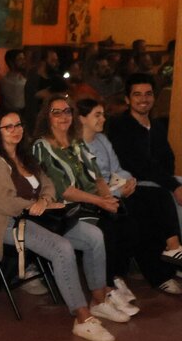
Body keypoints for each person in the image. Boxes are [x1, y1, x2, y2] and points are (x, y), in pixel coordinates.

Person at [0, 111, 122, 341]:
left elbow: (48, 184)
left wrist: (44, 201)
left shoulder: (25, 156)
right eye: (8, 127)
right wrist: (34, 205)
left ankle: (98, 300)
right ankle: (82, 318)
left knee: (94, 235)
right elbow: (3, 202)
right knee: (61, 248)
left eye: (18, 125)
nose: (15, 130)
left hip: (42, 217)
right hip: (10, 222)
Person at [33, 96, 174, 299]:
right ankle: (106, 289)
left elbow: (97, 176)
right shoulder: (42, 147)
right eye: (57, 112)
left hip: (94, 200)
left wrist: (108, 198)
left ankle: (118, 278)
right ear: (46, 117)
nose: (63, 116)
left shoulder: (75, 142)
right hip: (68, 208)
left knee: (134, 220)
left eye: (67, 111)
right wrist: (103, 201)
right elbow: (64, 190)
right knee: (110, 226)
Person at [77, 97, 182, 283]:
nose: (103, 119)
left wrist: (129, 180)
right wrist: (119, 192)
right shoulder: (76, 147)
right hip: (101, 197)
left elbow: (117, 168)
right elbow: (89, 185)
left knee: (159, 195)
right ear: (82, 119)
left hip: (118, 187)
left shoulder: (102, 139)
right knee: (142, 214)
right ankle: (158, 274)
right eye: (97, 115)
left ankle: (173, 247)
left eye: (103, 115)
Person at [107, 74, 182, 235]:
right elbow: (139, 165)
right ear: (127, 99)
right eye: (137, 94)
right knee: (172, 191)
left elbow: (168, 159)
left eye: (148, 94)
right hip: (131, 183)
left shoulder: (157, 126)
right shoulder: (120, 126)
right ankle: (175, 244)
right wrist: (172, 185)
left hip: (157, 178)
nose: (144, 99)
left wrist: (169, 181)